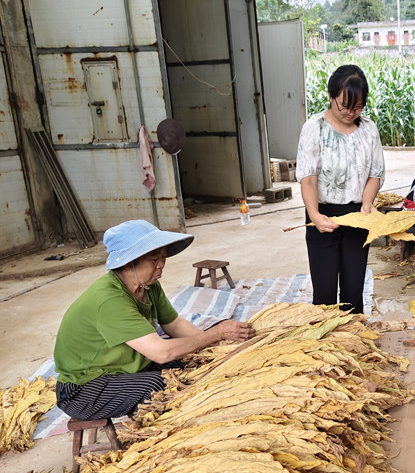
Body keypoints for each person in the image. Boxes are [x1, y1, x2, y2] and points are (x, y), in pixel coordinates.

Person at [53, 220, 254, 421]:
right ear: (128, 262)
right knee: (160, 386)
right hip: (83, 389)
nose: (161, 265)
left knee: (191, 361)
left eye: (163, 258)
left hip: (126, 367)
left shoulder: (149, 286)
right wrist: (215, 334)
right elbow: (161, 353)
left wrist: (214, 347)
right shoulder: (108, 300)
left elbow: (175, 324)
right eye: (154, 259)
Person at [296, 64, 385, 314]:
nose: (350, 112)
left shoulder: (369, 130)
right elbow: (308, 177)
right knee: (324, 292)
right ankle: (325, 345)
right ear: (330, 96)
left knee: (353, 289)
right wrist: (314, 214)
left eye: (358, 107)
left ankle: (353, 339)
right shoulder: (314, 128)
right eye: (345, 106)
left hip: (358, 215)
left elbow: (375, 174)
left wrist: (367, 203)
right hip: (322, 213)